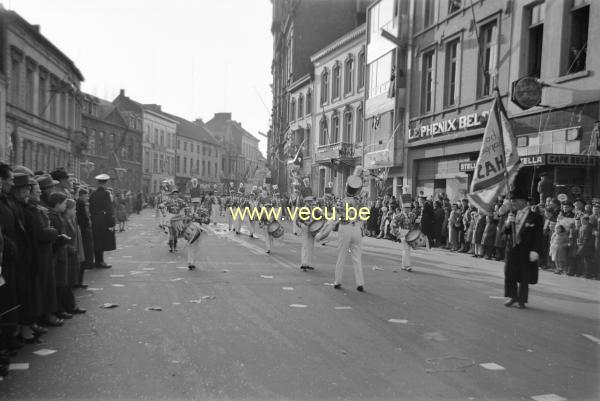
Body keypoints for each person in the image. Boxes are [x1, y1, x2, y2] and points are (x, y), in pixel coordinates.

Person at [503, 180, 543, 309]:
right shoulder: (512, 214)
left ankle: (521, 299)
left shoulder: (535, 217)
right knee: (510, 273)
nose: (513, 202)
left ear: (524, 201)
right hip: (512, 249)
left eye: (515, 200)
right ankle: (512, 296)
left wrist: (536, 251)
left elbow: (538, 236)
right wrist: (508, 223)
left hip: (527, 250)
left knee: (524, 276)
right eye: (512, 200)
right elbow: (505, 232)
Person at [333, 172, 365, 292]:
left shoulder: (341, 201)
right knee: (357, 257)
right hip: (356, 227)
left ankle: (337, 281)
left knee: (341, 256)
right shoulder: (360, 202)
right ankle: (360, 282)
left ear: (347, 188)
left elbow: (337, 217)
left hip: (345, 227)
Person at [89, 174, 115, 268]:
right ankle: (100, 261)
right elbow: (109, 208)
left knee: (96, 240)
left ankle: (97, 260)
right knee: (102, 241)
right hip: (103, 219)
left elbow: (90, 207)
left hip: (94, 218)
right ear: (106, 182)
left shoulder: (93, 193)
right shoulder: (106, 193)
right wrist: (111, 221)